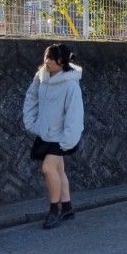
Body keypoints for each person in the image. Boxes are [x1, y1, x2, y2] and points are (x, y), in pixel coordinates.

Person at [22, 43, 84, 230]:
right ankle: (67, 207)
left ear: (62, 61)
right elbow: (31, 97)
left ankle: (54, 210)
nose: (46, 62)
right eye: (46, 57)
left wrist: (67, 141)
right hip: (46, 133)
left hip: (61, 137)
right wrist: (31, 122)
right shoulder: (41, 77)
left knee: (48, 168)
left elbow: (75, 115)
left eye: (51, 58)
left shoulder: (71, 85)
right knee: (58, 170)